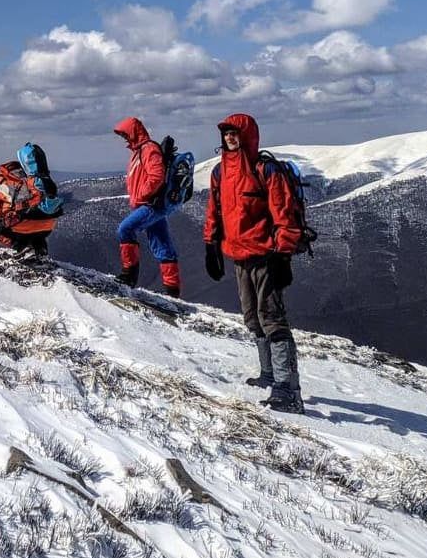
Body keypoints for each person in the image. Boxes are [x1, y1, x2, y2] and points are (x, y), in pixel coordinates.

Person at [203, 113, 307, 413]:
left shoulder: (265, 170)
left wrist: (282, 255)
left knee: (272, 318)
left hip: (265, 255)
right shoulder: (220, 173)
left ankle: (288, 389)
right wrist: (211, 244)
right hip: (238, 256)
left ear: (247, 135)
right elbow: (216, 210)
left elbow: (284, 214)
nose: (230, 137)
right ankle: (269, 374)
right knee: (252, 317)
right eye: (226, 133)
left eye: (235, 132)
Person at [112, 117, 182, 297]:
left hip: (151, 204)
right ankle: (172, 290)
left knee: (125, 230)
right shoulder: (139, 151)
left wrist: (141, 195)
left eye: (125, 134)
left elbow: (156, 176)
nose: (125, 139)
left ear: (133, 132)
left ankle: (129, 275)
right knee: (162, 244)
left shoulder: (148, 149)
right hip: (153, 204)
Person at [0, 147, 62, 258]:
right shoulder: (33, 178)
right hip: (48, 225)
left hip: (23, 226)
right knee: (34, 227)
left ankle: (18, 248)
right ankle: (39, 248)